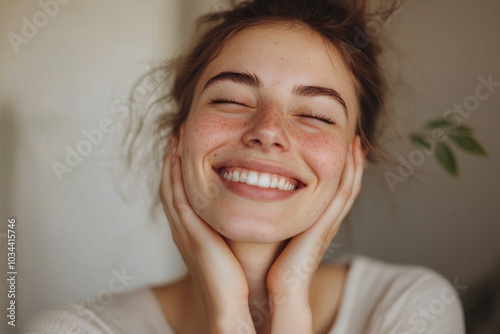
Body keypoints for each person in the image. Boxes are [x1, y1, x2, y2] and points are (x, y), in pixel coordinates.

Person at [26, 0, 465, 333]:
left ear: (354, 158)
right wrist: (229, 311)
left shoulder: (407, 308)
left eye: (315, 114)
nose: (268, 131)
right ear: (177, 137)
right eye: (231, 100)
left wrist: (288, 300)